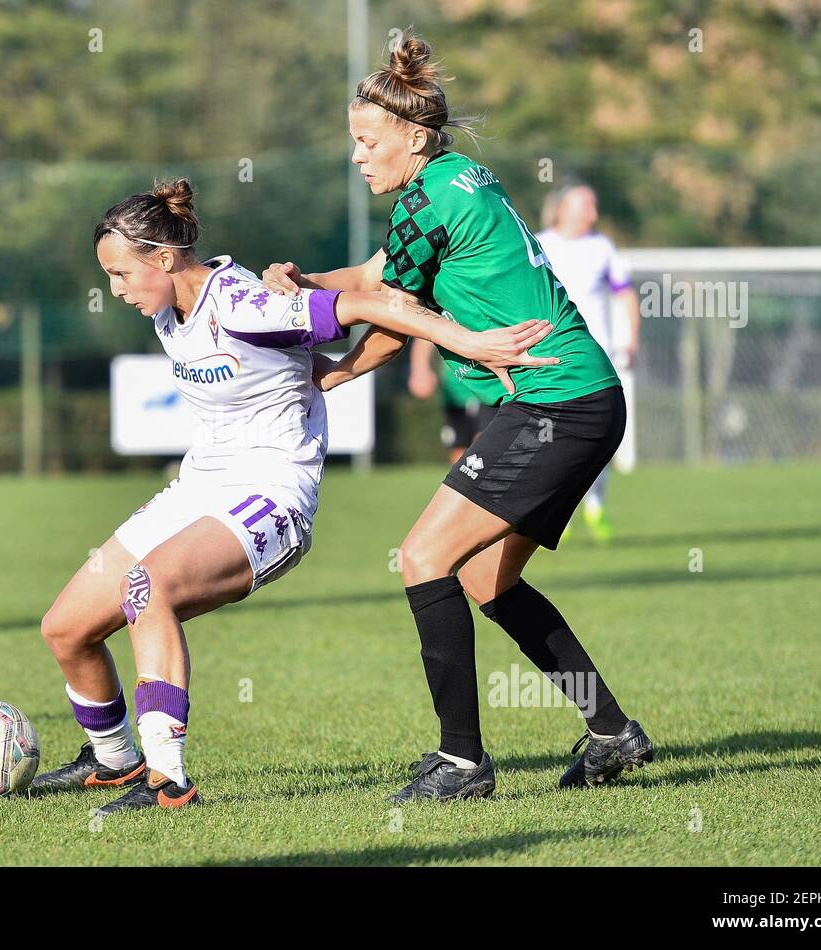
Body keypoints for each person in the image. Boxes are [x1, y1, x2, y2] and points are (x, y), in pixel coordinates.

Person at [29, 178, 557, 815]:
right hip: (198, 487)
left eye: (120, 273)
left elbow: (369, 303)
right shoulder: (172, 304)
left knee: (147, 587)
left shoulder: (245, 306)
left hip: (271, 494)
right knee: (64, 630)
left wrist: (462, 340)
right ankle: (113, 759)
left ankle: (167, 780)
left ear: (164, 259)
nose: (114, 289)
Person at [263, 33, 654, 801]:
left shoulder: (429, 196)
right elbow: (377, 281)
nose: (357, 157)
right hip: (578, 399)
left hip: (557, 402)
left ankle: (462, 761)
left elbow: (392, 309)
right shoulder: (453, 180)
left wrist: (334, 370)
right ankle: (612, 732)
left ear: (413, 137)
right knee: (483, 575)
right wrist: (305, 281)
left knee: (421, 559)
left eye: (366, 142)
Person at [536, 183, 641, 542]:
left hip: (599, 358)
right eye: (587, 206)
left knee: (600, 436)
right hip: (551, 355)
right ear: (563, 207)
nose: (594, 215)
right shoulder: (539, 244)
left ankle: (595, 505)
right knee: (549, 436)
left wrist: (632, 340)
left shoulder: (602, 248)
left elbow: (625, 294)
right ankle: (556, 510)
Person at [408, 336, 496, 463]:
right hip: (453, 393)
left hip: (486, 388)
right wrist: (420, 371)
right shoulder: (444, 316)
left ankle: (487, 481)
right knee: (458, 450)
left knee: (484, 441)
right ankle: (465, 482)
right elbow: (424, 336)